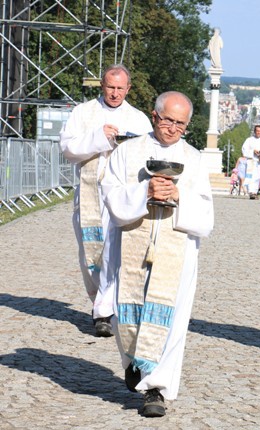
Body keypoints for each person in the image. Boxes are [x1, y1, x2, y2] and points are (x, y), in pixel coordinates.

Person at [101, 91, 214, 417]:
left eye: (180, 124)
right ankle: (135, 362)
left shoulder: (193, 159)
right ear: (154, 116)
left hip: (177, 248)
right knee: (129, 309)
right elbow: (111, 194)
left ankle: (157, 390)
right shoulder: (127, 152)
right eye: (168, 120)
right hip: (133, 240)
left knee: (172, 316)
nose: (173, 128)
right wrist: (144, 191)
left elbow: (206, 216)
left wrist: (178, 196)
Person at [59, 64, 152, 337]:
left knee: (117, 253)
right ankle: (100, 301)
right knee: (91, 251)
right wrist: (99, 137)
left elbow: (147, 151)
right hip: (90, 194)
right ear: (102, 85)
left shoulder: (137, 118)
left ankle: (104, 312)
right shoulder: (83, 112)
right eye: (110, 87)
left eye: (120, 88)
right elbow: (67, 147)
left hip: (122, 194)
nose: (114, 93)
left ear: (128, 88)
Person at [242, 124, 260, 199]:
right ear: (255, 131)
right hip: (251, 161)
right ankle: (251, 192)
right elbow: (244, 150)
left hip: (259, 162)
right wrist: (253, 151)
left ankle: (255, 192)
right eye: (257, 131)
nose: (258, 132)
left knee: (257, 177)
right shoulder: (249, 140)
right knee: (251, 176)